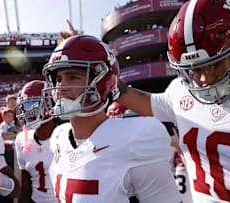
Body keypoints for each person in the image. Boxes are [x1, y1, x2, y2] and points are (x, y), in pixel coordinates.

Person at [115, 0, 230, 202]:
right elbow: (147, 103)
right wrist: (109, 80)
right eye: (195, 68)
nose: (203, 79)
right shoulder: (180, 94)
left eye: (215, 64)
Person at [41, 35, 181, 202]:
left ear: (103, 82)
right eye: (58, 79)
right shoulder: (59, 136)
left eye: (73, 77)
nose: (61, 86)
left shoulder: (135, 138)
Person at [14, 80, 58, 203]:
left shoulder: (65, 136)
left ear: (50, 104)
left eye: (32, 106)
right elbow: (26, 187)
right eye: (24, 107)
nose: (27, 112)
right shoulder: (22, 140)